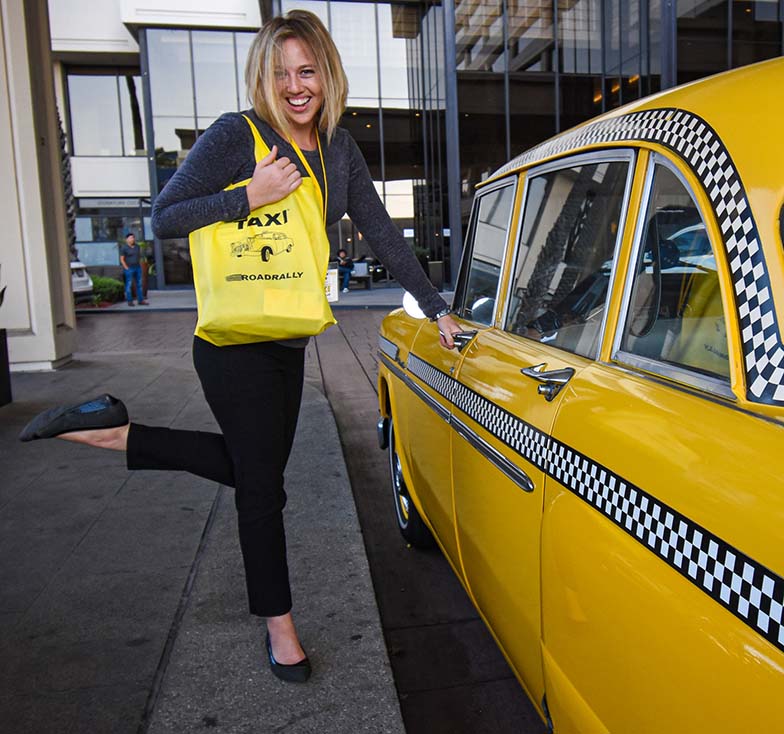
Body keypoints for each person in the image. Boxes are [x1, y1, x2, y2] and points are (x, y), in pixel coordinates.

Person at [18, 10, 462, 684]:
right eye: (280, 73)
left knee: (254, 470)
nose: (295, 86)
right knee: (263, 491)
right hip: (231, 344)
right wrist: (247, 195)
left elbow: (382, 232)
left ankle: (112, 434)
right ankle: (281, 629)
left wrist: (437, 309)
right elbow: (167, 215)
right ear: (264, 78)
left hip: (286, 340)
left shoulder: (338, 150)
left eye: (306, 70)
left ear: (327, 74)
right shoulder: (237, 136)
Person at [120, 233, 148, 306]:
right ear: (127, 240)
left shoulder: (137, 247)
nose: (132, 239)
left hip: (137, 267)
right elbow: (122, 259)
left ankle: (140, 300)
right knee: (129, 284)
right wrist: (126, 268)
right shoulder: (124, 248)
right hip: (129, 268)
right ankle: (130, 301)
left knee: (139, 284)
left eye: (133, 238)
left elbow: (138, 257)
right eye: (130, 238)